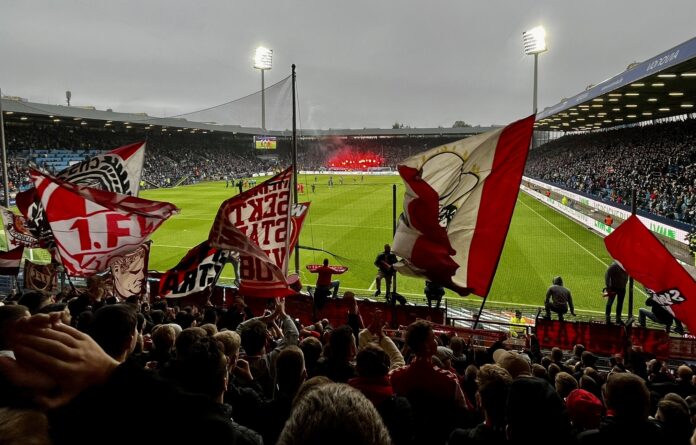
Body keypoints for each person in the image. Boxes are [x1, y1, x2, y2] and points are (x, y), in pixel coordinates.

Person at [605, 261, 628, 325]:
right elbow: (607, 274)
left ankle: (618, 319)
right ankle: (607, 319)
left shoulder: (627, 265)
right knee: (610, 303)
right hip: (613, 288)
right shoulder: (614, 266)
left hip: (622, 288)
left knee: (620, 304)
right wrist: (608, 286)